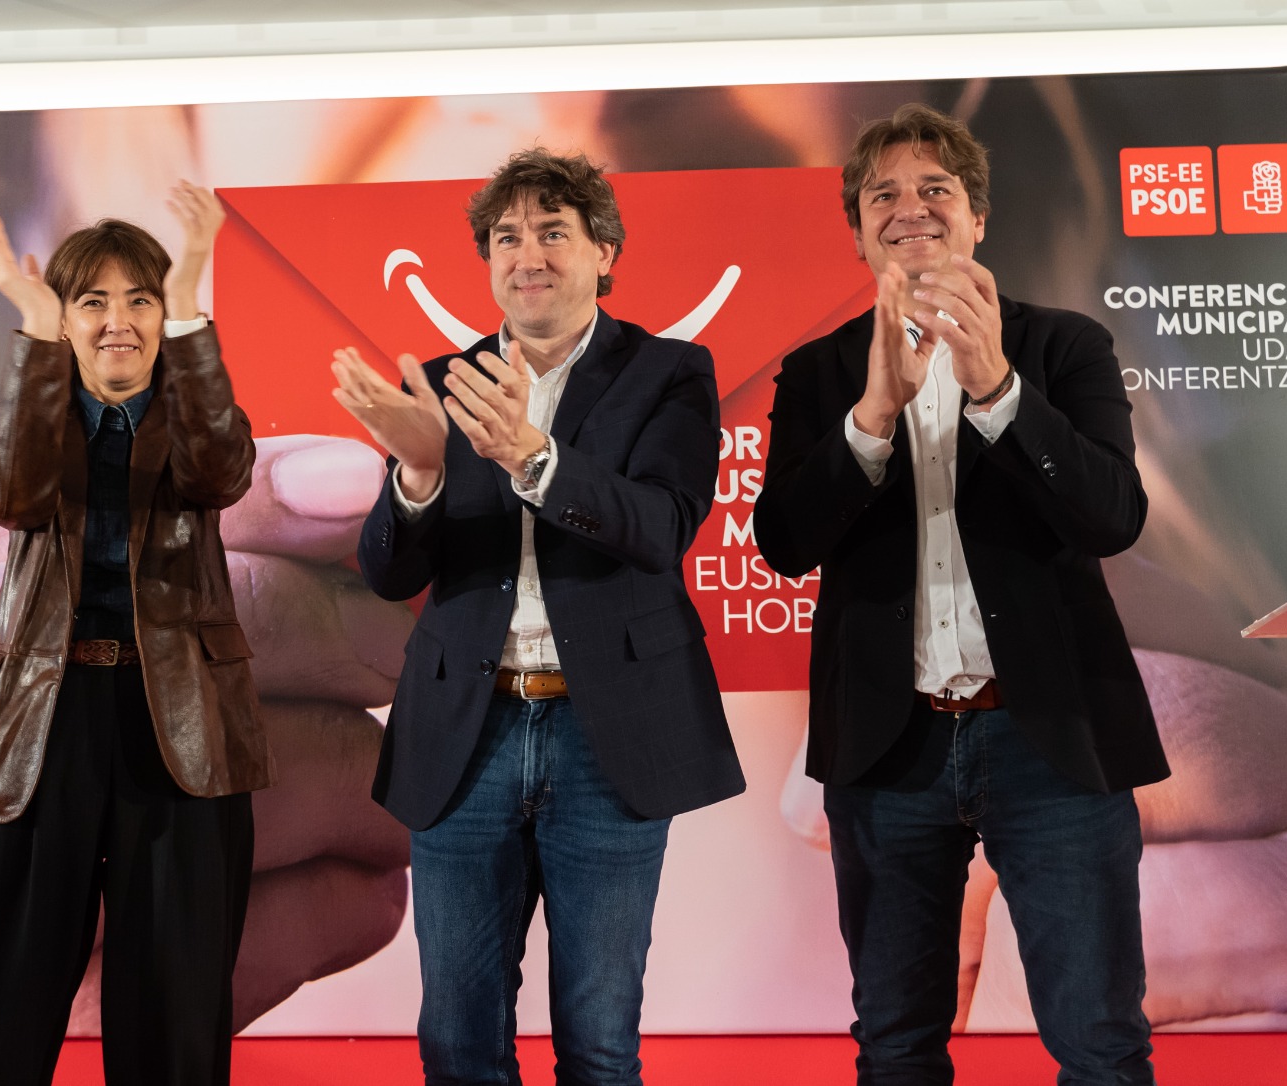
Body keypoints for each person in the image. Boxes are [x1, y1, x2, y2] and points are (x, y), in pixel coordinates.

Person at [753, 104, 1171, 1084]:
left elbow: (1110, 515)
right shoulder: (819, 374)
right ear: (858, 230)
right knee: (897, 1045)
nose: (910, 208)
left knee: (1099, 1042)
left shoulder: (1063, 348)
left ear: (978, 217)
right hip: (889, 750)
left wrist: (993, 388)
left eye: (934, 188)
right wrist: (870, 416)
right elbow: (781, 542)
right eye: (882, 195)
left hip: (1051, 741)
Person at [331, 147, 746, 1085]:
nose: (528, 254)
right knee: (457, 1039)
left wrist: (531, 455)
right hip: (464, 735)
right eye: (507, 236)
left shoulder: (669, 372)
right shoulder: (442, 381)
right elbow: (389, 574)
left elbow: (661, 525)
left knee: (598, 1043)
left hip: (609, 735)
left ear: (604, 251)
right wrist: (419, 475)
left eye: (554, 232)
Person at [0, 185, 267, 1085]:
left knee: (175, 1003)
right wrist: (37, 335)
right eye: (93, 301)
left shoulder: (205, 422)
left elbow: (221, 473)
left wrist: (196, 288)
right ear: (66, 319)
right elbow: (10, 494)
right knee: (0, 998)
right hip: (34, 726)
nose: (118, 321)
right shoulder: (19, 421)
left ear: (168, 317)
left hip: (180, 722)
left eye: (141, 300)